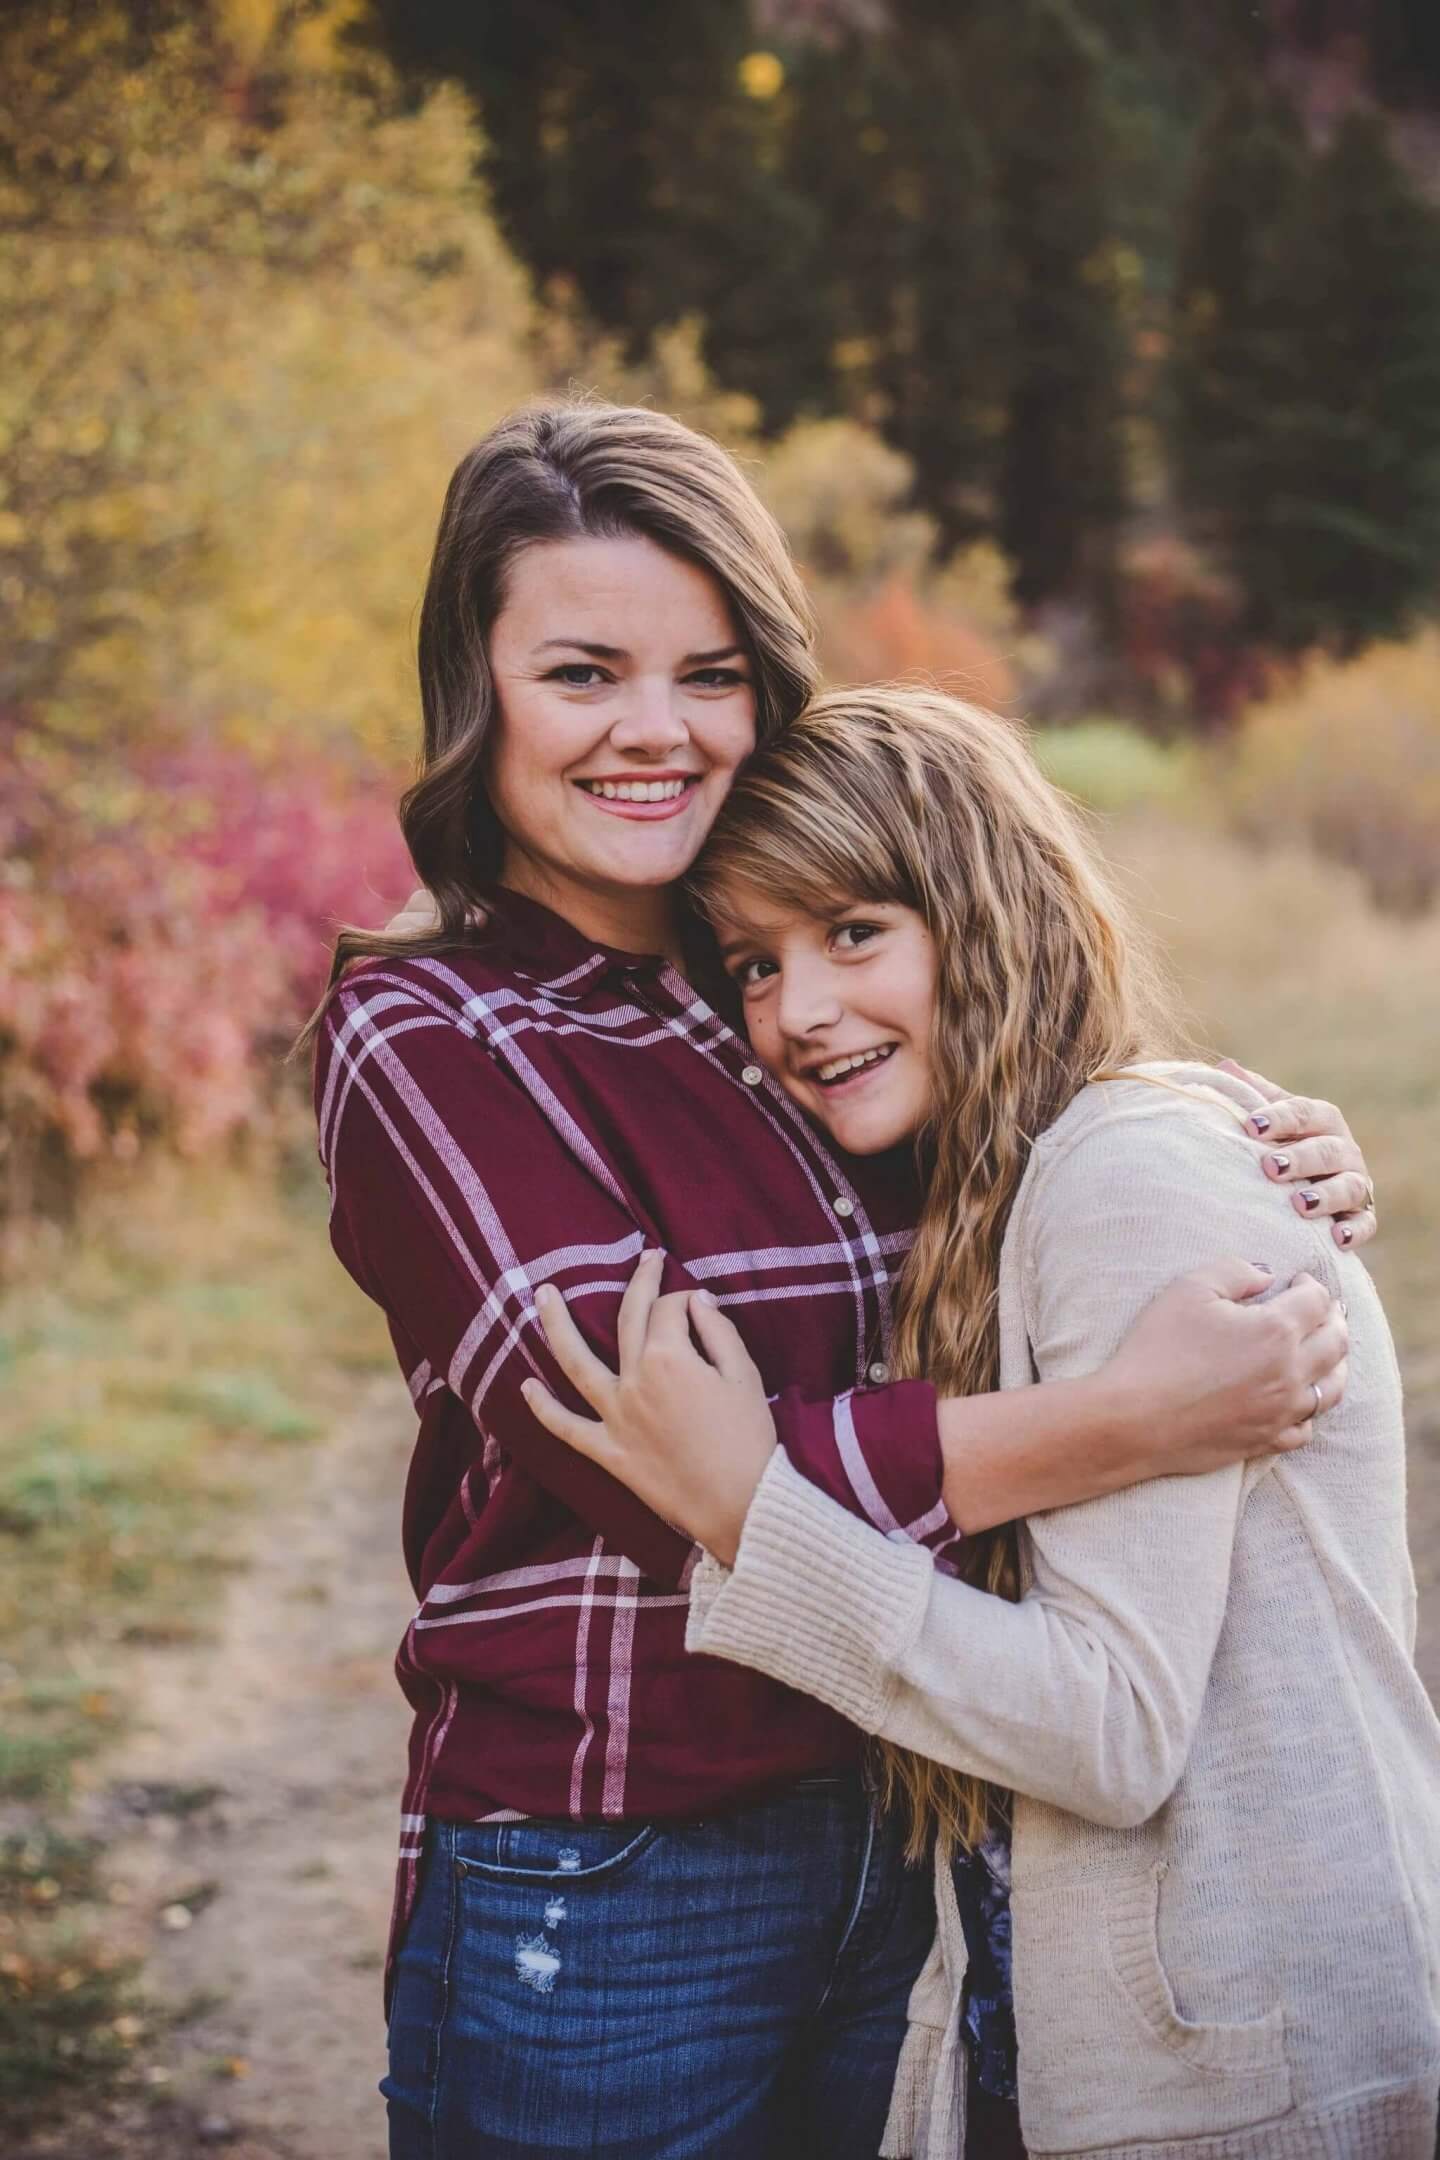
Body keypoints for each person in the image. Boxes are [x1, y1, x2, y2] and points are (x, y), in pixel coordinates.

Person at [309, 400, 1371, 2160]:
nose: (654, 732)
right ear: (477, 692)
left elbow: (1027, 1162)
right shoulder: (430, 1030)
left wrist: (1233, 1132)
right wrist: (1122, 1421)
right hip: (617, 1853)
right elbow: (652, 1469)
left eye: (709, 674)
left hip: (918, 1824)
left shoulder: (796, 990)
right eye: (584, 674)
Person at [522, 685, 1440, 2159]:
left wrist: (752, 1520)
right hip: (1161, 2024)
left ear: (988, 908)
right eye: (754, 965)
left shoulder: (1123, 1177)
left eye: (854, 934)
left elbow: (1110, 1728)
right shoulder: (1003, 1188)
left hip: (1252, 2059)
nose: (797, 1013)